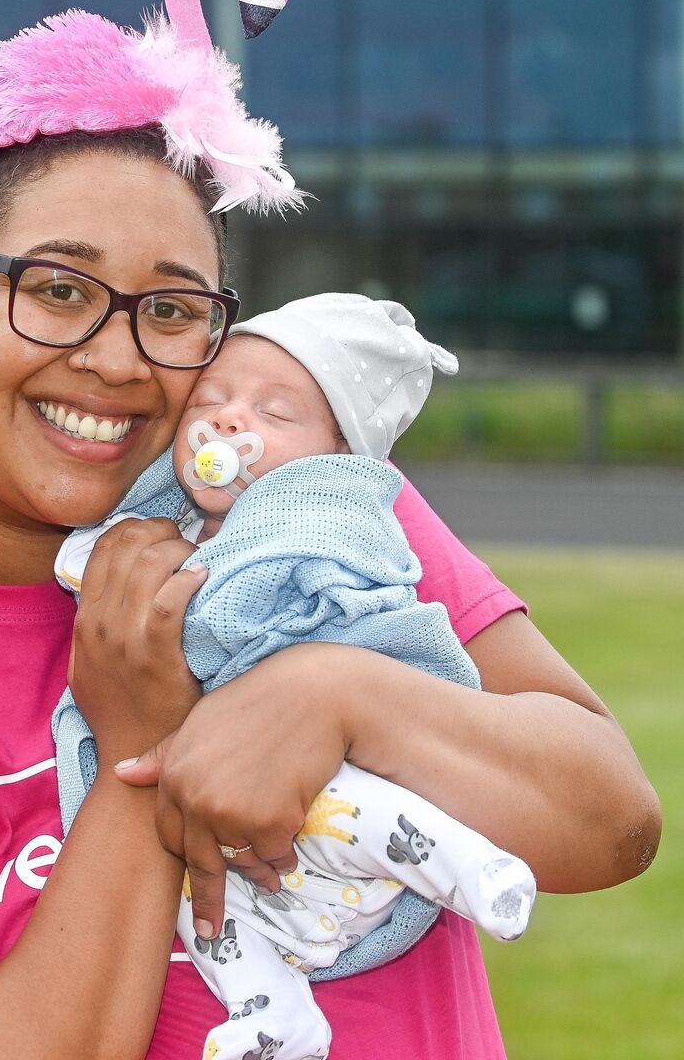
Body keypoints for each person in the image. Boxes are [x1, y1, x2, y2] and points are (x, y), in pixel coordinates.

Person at [0, 0, 659, 1060]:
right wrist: (142, 750)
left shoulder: (302, 500)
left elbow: (607, 821)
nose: (113, 356)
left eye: (174, 311)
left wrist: (333, 695)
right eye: (55, 288)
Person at [51, 292, 538, 1060]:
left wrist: (295, 680)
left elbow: (309, 614)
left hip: (328, 781)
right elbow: (93, 563)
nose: (230, 422)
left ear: (339, 457)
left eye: (274, 413)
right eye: (210, 401)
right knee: (198, 911)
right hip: (229, 834)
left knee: (360, 809)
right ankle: (275, 1016)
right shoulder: (165, 525)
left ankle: (473, 872)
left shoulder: (329, 523)